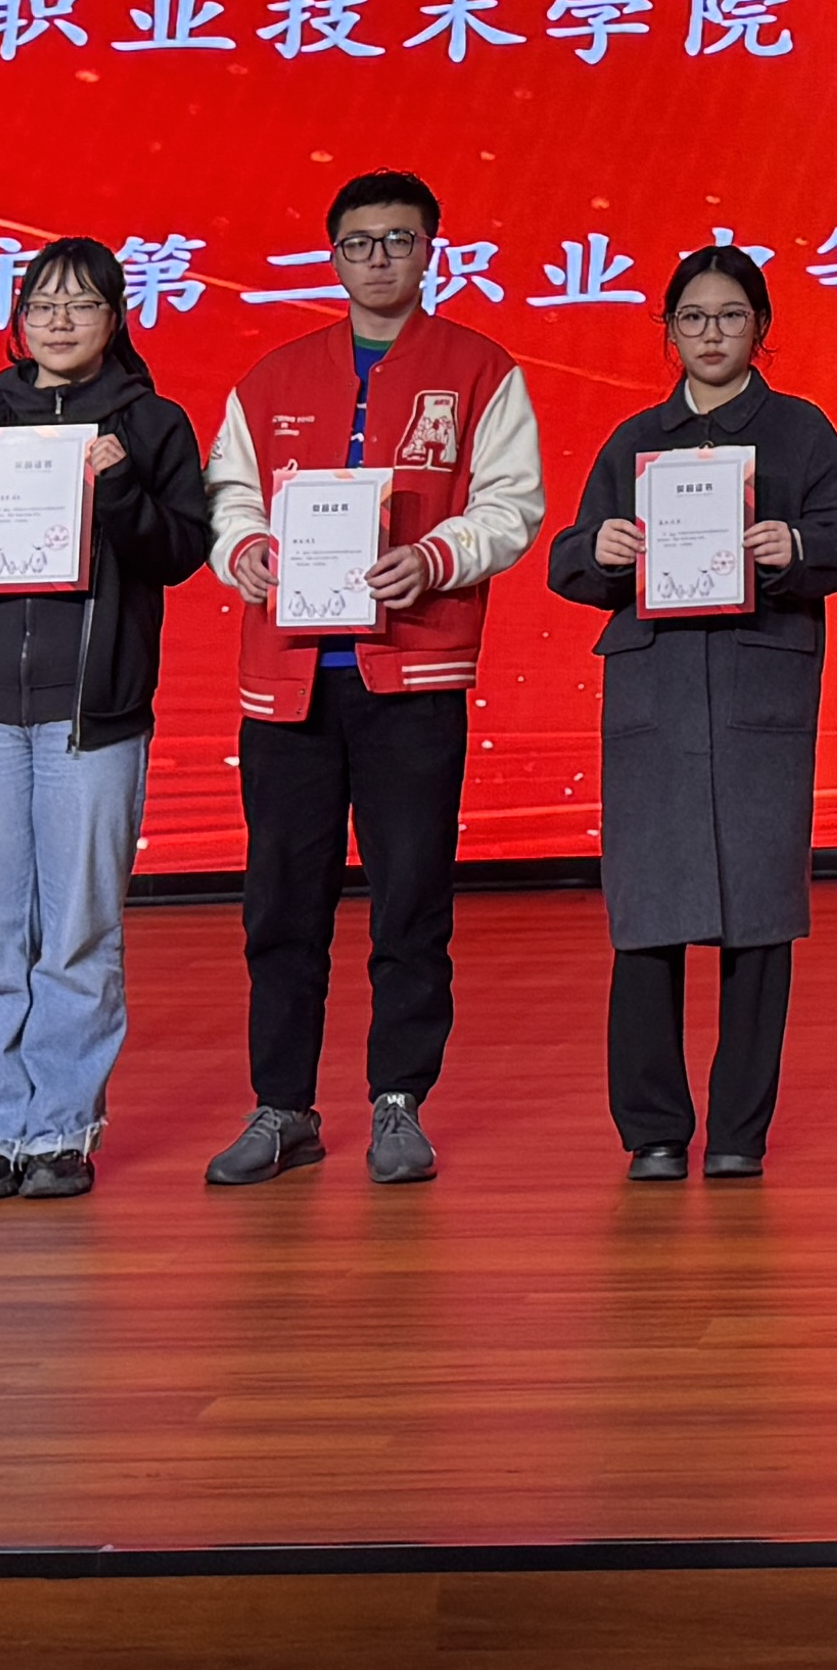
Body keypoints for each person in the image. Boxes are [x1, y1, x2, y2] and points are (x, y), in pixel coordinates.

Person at [194, 173, 549, 1192]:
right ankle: (282, 1108)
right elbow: (226, 499)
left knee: (410, 898)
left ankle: (399, 1100)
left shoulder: (479, 369)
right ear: (335, 256)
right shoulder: (272, 377)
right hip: (290, 684)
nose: (379, 257)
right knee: (281, 904)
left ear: (431, 250)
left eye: (398, 239)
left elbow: (512, 505)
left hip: (413, 676)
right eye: (359, 242)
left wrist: (437, 556)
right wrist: (244, 550)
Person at [547, 243, 837, 1182]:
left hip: (754, 688)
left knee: (759, 912)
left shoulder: (800, 431)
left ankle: (738, 1131)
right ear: (669, 332)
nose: (711, 334)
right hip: (654, 692)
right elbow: (568, 559)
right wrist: (601, 549)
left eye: (731, 316)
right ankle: (653, 1129)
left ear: (760, 328)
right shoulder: (633, 440)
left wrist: (795, 544)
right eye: (692, 318)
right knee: (647, 913)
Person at [0, 237, 207, 1198]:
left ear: (116, 318)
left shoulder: (151, 424)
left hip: (93, 714)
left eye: (81, 304)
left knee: (78, 929)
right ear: (18, 319)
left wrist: (119, 489)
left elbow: (181, 553)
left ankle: (63, 1130)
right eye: (42, 305)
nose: (59, 321)